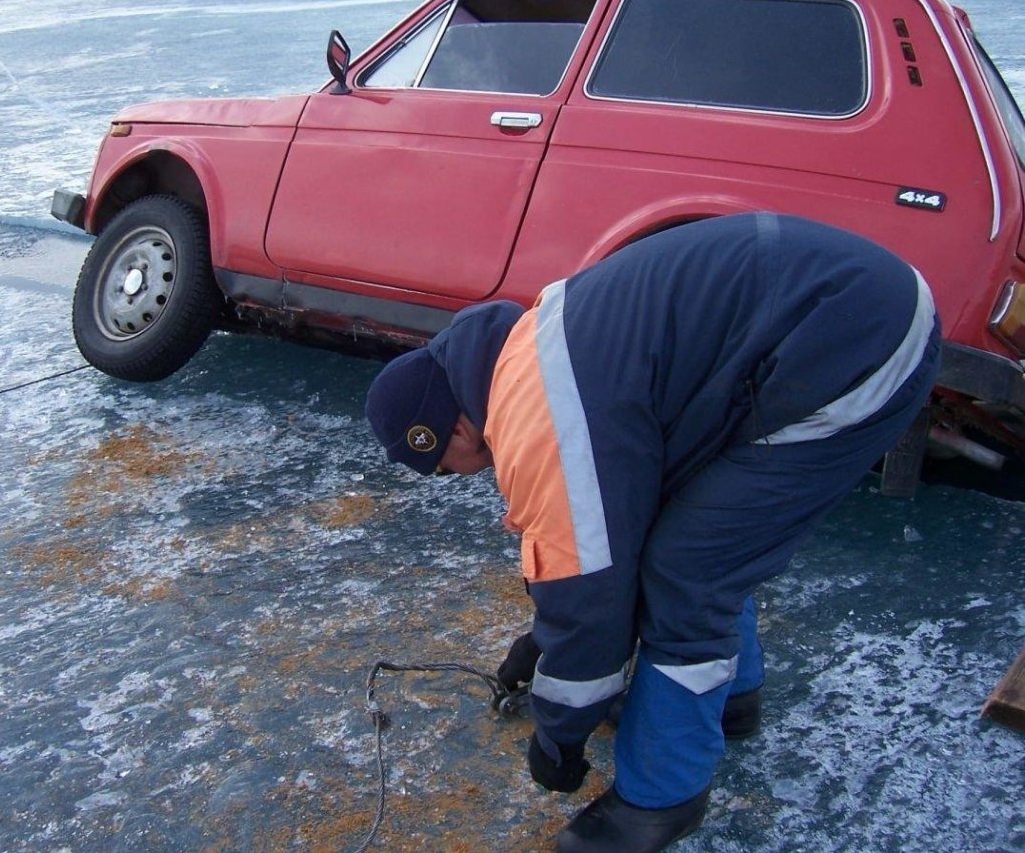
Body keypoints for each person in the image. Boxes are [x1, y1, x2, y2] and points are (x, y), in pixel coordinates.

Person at [364, 213, 940, 852]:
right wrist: (541, 638)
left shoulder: (534, 420)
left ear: (452, 430)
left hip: (851, 346)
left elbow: (592, 592)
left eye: (445, 468)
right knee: (700, 535)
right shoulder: (535, 347)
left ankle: (660, 800)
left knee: (690, 575)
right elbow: (614, 532)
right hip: (846, 310)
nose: (463, 475)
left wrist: (560, 733)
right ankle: (732, 700)